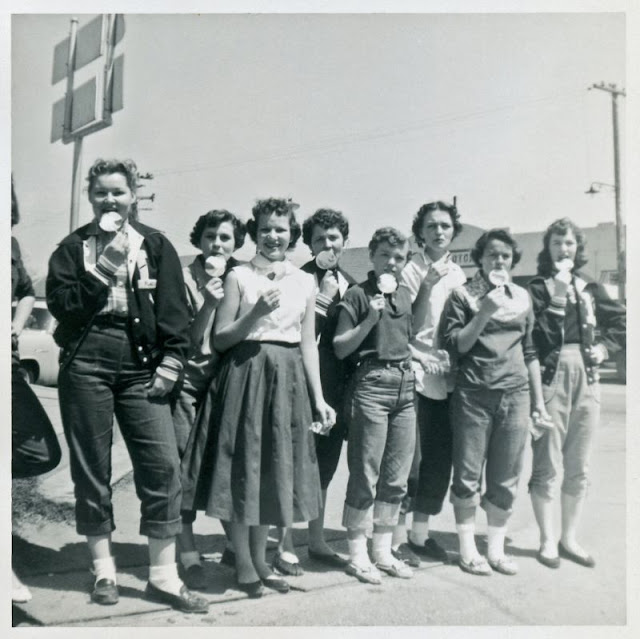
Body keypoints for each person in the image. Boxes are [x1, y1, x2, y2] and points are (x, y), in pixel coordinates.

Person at [46, 158, 208, 613]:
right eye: (101, 193)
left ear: (134, 195)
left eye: (118, 192)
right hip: (86, 360)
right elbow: (64, 307)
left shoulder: (155, 244)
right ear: (90, 197)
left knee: (162, 467)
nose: (110, 200)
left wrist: (173, 361)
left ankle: (163, 575)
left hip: (142, 363)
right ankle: (104, 571)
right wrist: (104, 267)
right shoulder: (72, 247)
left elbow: (176, 312)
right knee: (92, 470)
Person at [203, 197, 335, 598]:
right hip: (246, 374)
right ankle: (243, 560)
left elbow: (309, 345)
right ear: (254, 234)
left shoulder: (305, 281)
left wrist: (320, 398)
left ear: (292, 233)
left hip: (288, 377)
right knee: (245, 469)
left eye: (280, 229)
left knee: (273, 471)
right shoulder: (239, 276)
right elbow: (221, 337)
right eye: (265, 230)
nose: (273, 236)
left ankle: (262, 559)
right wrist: (255, 312)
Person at [439, 229, 550, 576]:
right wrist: (484, 312)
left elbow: (530, 352)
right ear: (480, 259)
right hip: (474, 394)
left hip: (515, 395)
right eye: (491, 255)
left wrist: (538, 403)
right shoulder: (463, 295)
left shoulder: (522, 297)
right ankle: (468, 549)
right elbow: (456, 345)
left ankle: (497, 549)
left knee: (506, 475)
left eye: (504, 256)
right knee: (468, 473)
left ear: (513, 260)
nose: (498, 261)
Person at [527, 218, 625, 569]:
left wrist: (605, 348)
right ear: (548, 248)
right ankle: (546, 540)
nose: (563, 249)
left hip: (588, 373)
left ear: (577, 249)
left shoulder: (590, 286)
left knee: (579, 464)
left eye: (569, 243)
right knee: (546, 461)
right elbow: (535, 337)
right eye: (557, 243)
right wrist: (557, 291)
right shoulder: (539, 287)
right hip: (553, 373)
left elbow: (621, 323)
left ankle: (569, 538)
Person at [274, 209, 356, 575]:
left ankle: (318, 539)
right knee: (293, 464)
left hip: (334, 387)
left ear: (344, 241)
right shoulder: (297, 279)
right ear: (308, 243)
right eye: (320, 238)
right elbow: (298, 333)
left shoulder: (352, 284)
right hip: (300, 384)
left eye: (334, 237)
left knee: (324, 465)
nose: (328, 244)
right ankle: (284, 543)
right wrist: (321, 299)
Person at [333, 227, 416, 585]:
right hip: (371, 384)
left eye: (399, 257)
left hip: (405, 385)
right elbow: (339, 347)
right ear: (372, 256)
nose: (392, 263)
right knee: (366, 474)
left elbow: (407, 339)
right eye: (385, 255)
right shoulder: (357, 294)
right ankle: (357, 553)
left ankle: (382, 550)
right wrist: (369, 318)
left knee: (396, 477)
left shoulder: (406, 294)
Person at [173, 210, 246, 588]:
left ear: (237, 244)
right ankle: (187, 553)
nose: (217, 244)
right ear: (198, 241)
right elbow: (183, 341)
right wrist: (207, 302)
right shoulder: (182, 276)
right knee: (183, 469)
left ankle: (235, 545)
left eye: (225, 238)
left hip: (224, 384)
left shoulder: (242, 275)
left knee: (223, 467)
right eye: (210, 237)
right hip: (186, 383)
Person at [394, 200, 466, 566]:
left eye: (445, 225)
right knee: (412, 462)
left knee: (440, 459)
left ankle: (421, 535)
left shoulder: (461, 275)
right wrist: (422, 357)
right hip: (416, 370)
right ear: (420, 231)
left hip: (449, 378)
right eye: (431, 225)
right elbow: (402, 328)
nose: (439, 231)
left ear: (454, 230)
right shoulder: (408, 270)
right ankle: (395, 538)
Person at [11, 178, 62, 604]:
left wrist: (13, 325)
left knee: (42, 451)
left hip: (6, 368)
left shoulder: (8, 245)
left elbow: (26, 293)